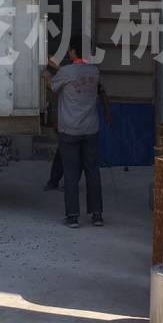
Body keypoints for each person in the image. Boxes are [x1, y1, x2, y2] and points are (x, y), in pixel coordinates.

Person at [45, 34, 110, 227]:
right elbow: (77, 75)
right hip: (91, 129)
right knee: (92, 171)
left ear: (72, 51)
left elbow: (53, 86)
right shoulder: (95, 72)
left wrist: (46, 73)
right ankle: (97, 215)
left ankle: (73, 216)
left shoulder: (66, 72)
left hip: (70, 129)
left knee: (71, 174)